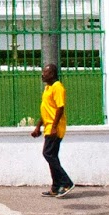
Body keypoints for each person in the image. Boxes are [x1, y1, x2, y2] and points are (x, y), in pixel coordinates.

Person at [31, 64, 74, 197]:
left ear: (52, 74)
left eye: (45, 72)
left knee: (48, 154)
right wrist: (38, 126)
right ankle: (55, 187)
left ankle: (66, 182)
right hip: (48, 126)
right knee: (52, 156)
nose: (42, 74)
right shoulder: (47, 88)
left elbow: (60, 108)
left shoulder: (57, 87)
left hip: (55, 128)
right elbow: (46, 109)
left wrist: (54, 127)